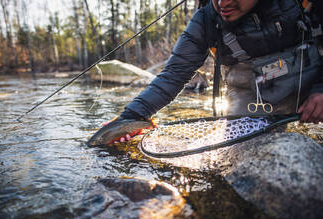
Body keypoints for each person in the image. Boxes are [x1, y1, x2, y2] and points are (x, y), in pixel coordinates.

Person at [109, 0, 323, 143]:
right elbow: (173, 75)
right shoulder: (206, 20)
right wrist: (131, 118)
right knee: (237, 155)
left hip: (315, 76)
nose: (223, 3)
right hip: (252, 94)